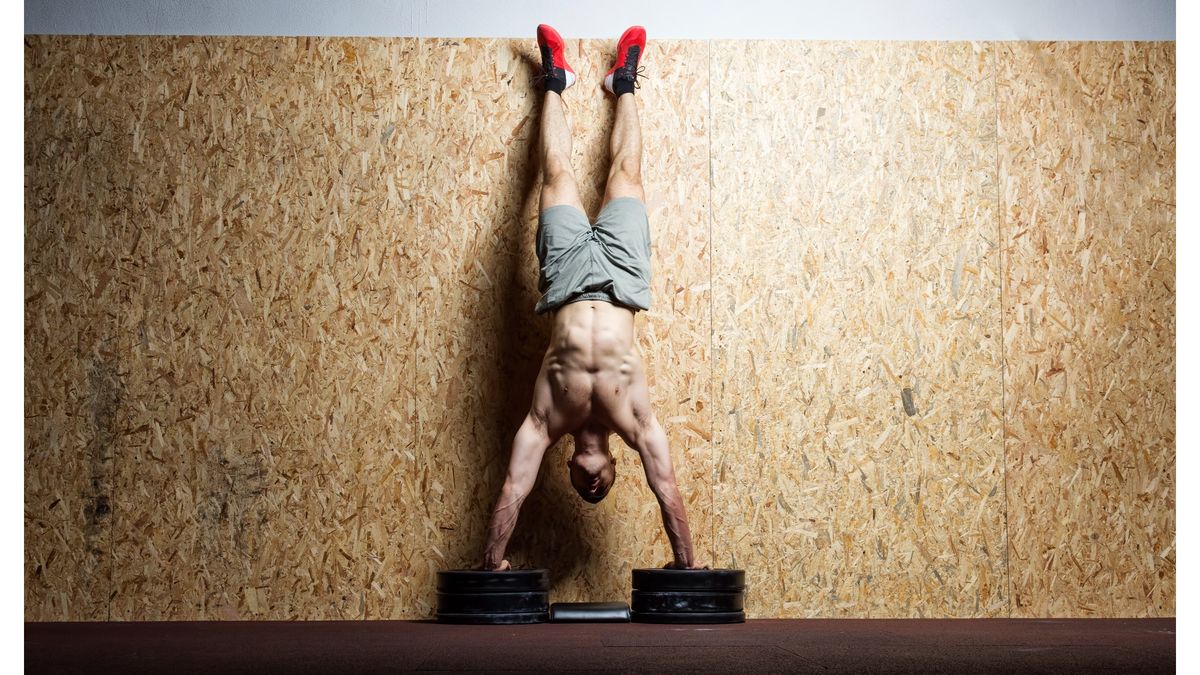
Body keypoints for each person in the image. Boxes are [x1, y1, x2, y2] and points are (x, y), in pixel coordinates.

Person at [481, 24, 704, 571]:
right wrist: (687, 564)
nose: (593, 487)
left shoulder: (548, 419)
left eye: (586, 491)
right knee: (627, 172)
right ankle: (623, 82)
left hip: (565, 279)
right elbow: (667, 487)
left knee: (555, 174)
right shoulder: (633, 418)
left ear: (574, 472)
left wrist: (491, 565)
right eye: (600, 489)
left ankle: (553, 80)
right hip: (624, 277)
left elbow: (514, 484)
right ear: (611, 468)